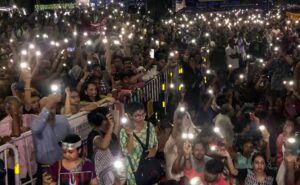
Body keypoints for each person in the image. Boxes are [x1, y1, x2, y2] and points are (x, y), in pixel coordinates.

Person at [31, 94, 73, 184]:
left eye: (52, 107)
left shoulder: (62, 120)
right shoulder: (36, 124)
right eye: (47, 108)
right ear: (40, 110)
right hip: (46, 170)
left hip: (64, 165)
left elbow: (72, 139)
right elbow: (36, 128)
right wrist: (48, 104)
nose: (50, 111)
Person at [119, 102, 158, 185]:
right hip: (135, 172)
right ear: (130, 116)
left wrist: (154, 150)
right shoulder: (124, 132)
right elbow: (127, 152)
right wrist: (130, 135)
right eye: (137, 115)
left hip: (150, 170)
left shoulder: (150, 126)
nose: (141, 117)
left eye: (143, 114)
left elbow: (155, 143)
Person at [87, 107, 121, 185]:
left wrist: (117, 176)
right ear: (102, 121)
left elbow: (115, 156)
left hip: (111, 174)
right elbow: (103, 145)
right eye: (109, 118)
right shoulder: (94, 134)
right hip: (98, 177)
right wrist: (111, 127)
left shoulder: (111, 135)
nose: (112, 119)